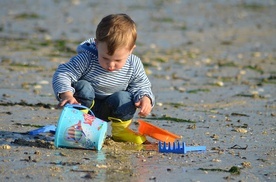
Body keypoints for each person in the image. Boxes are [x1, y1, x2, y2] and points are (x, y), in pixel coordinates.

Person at [52, 14, 155, 144]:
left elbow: (141, 85)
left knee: (124, 97)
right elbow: (63, 73)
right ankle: (80, 126)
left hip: (112, 108)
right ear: (97, 44)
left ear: (131, 50)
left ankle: (120, 132)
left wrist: (145, 98)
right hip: (85, 108)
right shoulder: (87, 59)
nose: (111, 65)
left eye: (118, 60)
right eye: (105, 58)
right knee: (83, 87)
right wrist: (66, 94)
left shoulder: (134, 64)